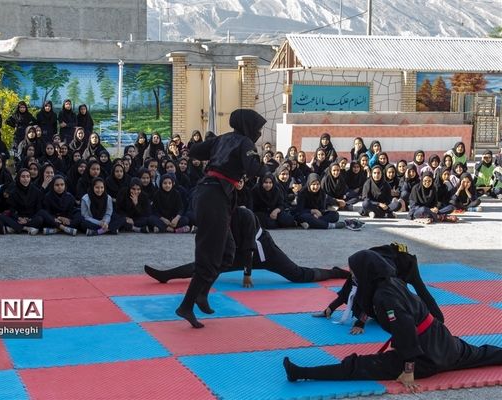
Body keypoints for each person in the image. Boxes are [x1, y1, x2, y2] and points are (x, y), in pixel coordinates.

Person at [283, 249, 502, 392]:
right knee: (482, 354)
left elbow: (404, 327)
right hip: (443, 342)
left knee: (358, 367)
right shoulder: (390, 282)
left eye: (355, 272)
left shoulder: (384, 296)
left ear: (367, 273)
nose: (353, 276)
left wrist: (408, 370)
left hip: (424, 356)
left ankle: (302, 373)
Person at [175, 108, 267, 329]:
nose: (260, 133)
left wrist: (213, 145)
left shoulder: (223, 139)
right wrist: (259, 160)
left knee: (227, 252)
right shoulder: (245, 142)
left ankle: (202, 294)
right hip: (213, 197)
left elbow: (195, 150)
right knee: (209, 255)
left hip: (210, 195)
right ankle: (186, 305)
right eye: (259, 129)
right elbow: (255, 169)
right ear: (249, 126)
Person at [145, 207, 349, 286]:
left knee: (297, 275)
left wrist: (247, 274)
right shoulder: (219, 216)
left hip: (263, 251)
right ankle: (166, 276)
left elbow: (250, 245)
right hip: (239, 253)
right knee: (204, 265)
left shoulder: (245, 214)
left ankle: (336, 272)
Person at [314, 243, 444, 328]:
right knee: (370, 300)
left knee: (418, 291)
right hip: (384, 261)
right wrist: (330, 308)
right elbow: (348, 290)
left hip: (404, 264)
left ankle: (438, 318)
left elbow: (370, 293)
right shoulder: (362, 266)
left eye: (352, 270)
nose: (351, 273)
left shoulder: (383, 279)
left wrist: (361, 322)